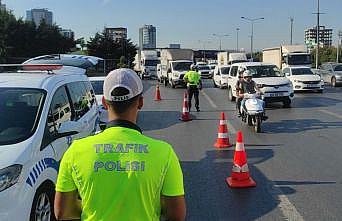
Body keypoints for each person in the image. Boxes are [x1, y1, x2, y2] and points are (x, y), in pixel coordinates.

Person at [54, 68, 186, 221]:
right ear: (140, 102)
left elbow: (62, 213)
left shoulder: (76, 151)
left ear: (104, 102)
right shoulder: (164, 152)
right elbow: (176, 215)